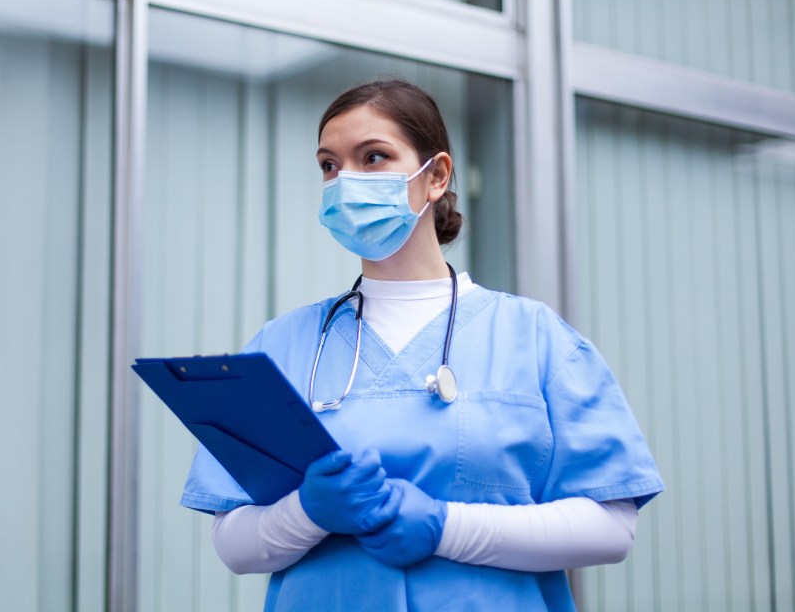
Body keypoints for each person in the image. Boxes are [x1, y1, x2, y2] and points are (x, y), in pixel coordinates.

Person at [180, 78, 663, 611]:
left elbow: (611, 528)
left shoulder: (534, 338)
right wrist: (308, 513)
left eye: (374, 157)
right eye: (329, 165)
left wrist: (445, 528)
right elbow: (234, 545)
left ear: (435, 176)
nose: (345, 181)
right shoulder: (283, 345)